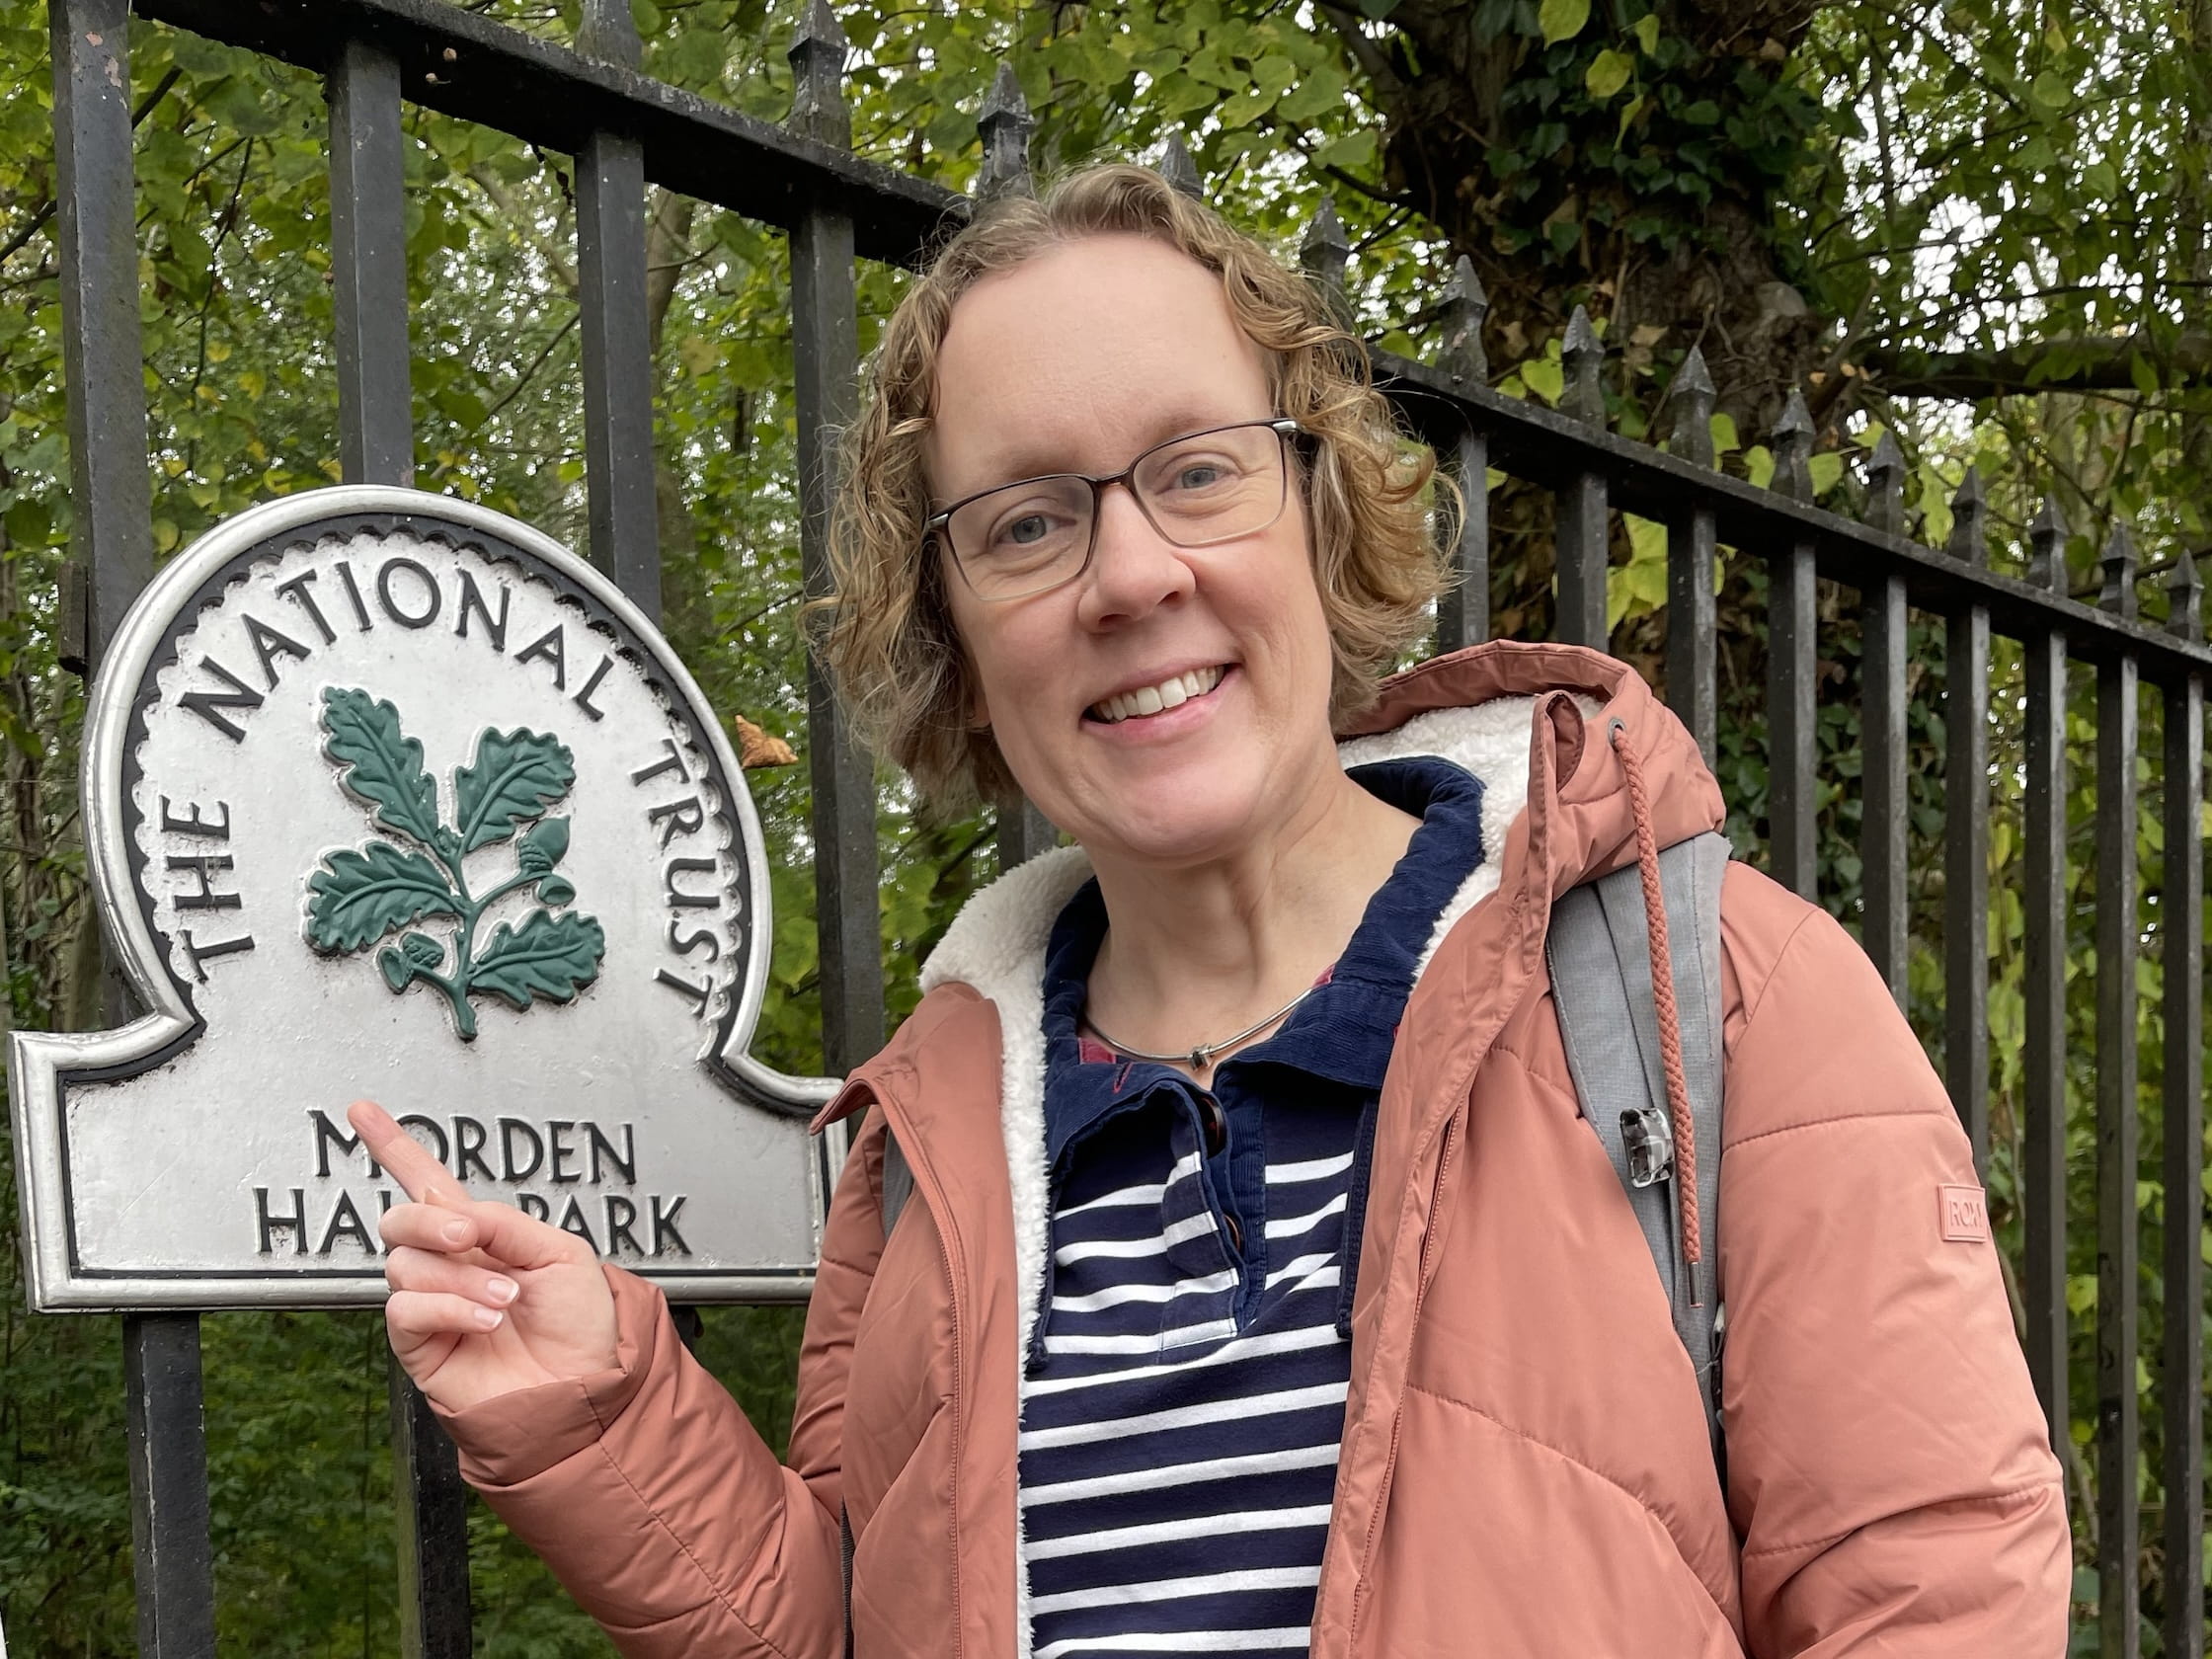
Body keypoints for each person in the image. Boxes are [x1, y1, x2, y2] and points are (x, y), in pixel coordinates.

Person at [354, 163, 2070, 1658]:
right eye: (1025, 522)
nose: (1131, 577)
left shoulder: (1723, 1000)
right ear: (951, 628)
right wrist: (609, 1419)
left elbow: (1930, 1596)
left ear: (1322, 509)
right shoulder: (930, 1147)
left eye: (1196, 470)